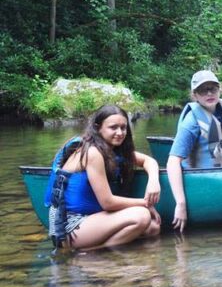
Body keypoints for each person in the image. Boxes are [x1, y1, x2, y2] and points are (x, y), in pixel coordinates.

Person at [44, 105, 162, 251]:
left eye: (123, 127)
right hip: (70, 226)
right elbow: (108, 203)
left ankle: (103, 252)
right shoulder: (92, 152)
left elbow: (148, 161)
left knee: (153, 228)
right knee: (142, 215)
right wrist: (146, 203)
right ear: (97, 128)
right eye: (113, 127)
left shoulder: (114, 150)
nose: (120, 133)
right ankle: (92, 252)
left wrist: (153, 182)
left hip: (93, 219)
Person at [167, 70, 222, 233]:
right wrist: (180, 204)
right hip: (200, 180)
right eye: (203, 90)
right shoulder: (191, 122)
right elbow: (172, 161)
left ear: (220, 91)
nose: (209, 93)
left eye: (213, 88)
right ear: (195, 95)